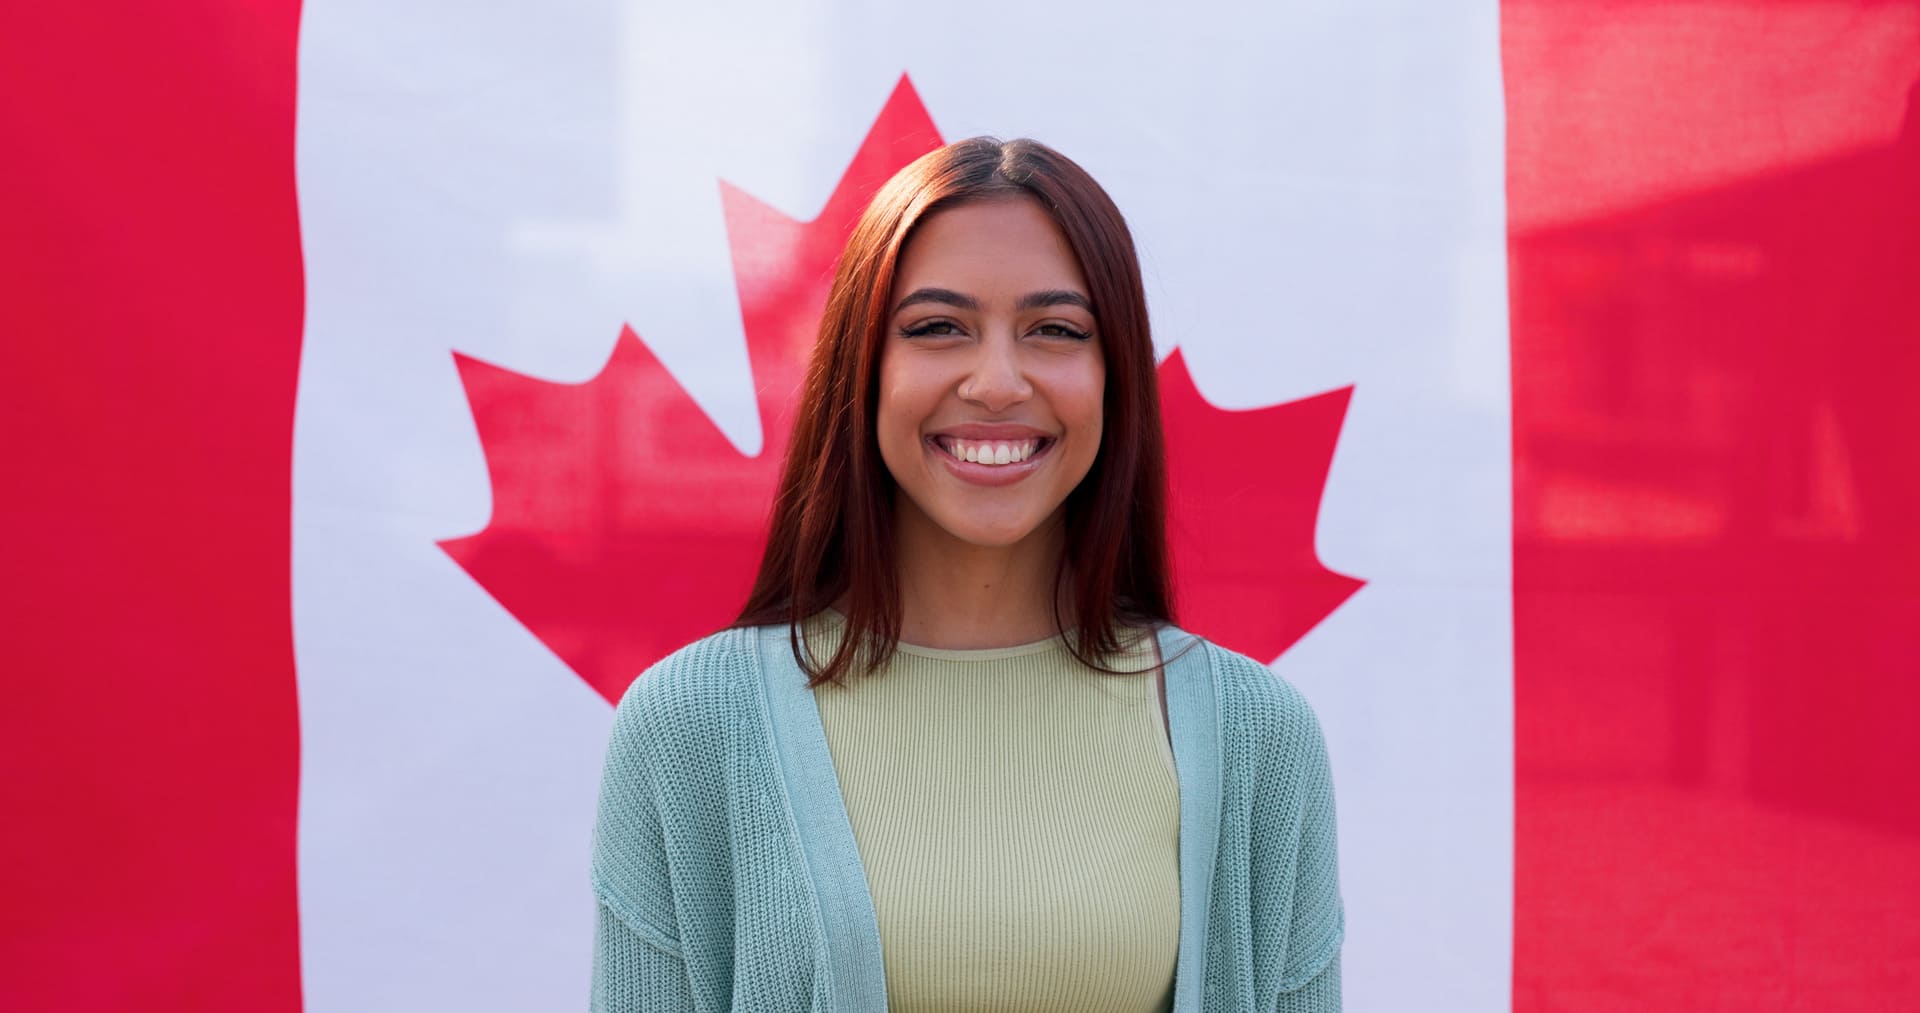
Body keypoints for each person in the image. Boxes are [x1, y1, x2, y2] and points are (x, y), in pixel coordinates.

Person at [589, 137, 1343, 1012]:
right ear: (863, 372)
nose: (996, 381)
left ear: (1115, 378)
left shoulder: (1260, 738)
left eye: (1055, 330)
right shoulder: (687, 726)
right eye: (937, 327)